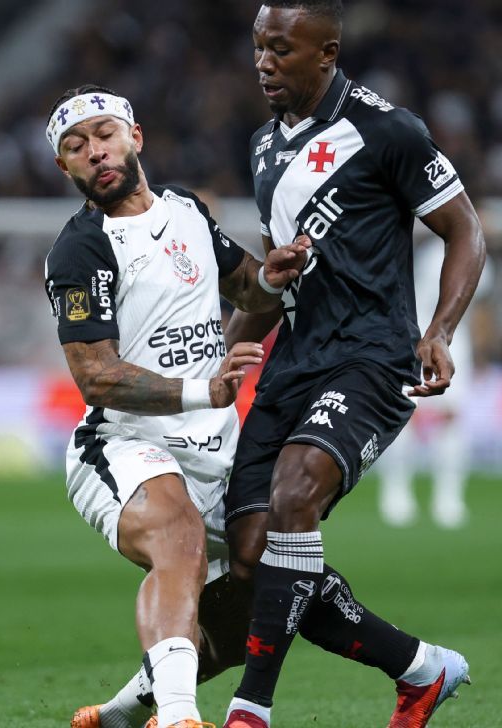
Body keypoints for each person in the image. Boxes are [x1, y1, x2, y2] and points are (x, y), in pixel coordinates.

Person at [220, 2, 483, 725]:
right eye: (258, 47)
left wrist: (440, 331)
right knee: (252, 550)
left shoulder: (386, 129)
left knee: (295, 493)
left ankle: (251, 709)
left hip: (373, 355)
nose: (264, 62)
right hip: (294, 360)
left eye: (281, 48)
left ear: (327, 52)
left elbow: (465, 229)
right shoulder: (264, 146)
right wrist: (228, 357)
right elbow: (276, 282)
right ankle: (421, 668)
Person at [41, 84, 308, 728]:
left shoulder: (187, 210)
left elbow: (248, 288)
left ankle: (123, 712)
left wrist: (274, 274)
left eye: (104, 135)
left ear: (135, 137)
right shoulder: (80, 250)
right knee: (178, 541)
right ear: (64, 167)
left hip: (216, 445)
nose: (94, 152)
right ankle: (182, 716)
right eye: (75, 147)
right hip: (126, 443)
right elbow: (97, 378)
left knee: (253, 604)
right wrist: (203, 389)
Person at [377, 235, 488, 529]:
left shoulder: (478, 253)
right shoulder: (431, 254)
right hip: (417, 337)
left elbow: (479, 309)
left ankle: (447, 498)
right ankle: (396, 493)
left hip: (455, 341)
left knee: (450, 418)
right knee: (406, 417)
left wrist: (480, 350)